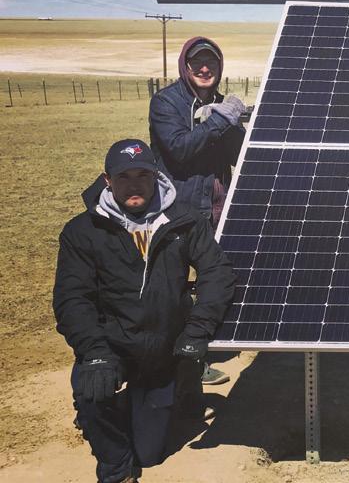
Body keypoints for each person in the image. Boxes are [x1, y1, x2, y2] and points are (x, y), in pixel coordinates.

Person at [53, 139, 235, 483]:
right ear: (108, 180)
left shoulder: (183, 220)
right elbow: (72, 299)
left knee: (150, 454)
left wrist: (197, 329)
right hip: (112, 347)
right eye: (124, 177)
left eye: (142, 176)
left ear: (156, 177)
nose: (134, 185)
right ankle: (116, 469)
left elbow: (217, 273)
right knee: (92, 393)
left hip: (163, 350)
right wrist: (94, 353)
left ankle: (163, 393)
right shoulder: (83, 231)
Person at [149, 37, 244, 386]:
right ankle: (178, 360)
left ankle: (200, 348)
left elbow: (238, 154)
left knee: (214, 278)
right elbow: (179, 149)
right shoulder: (165, 102)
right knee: (173, 285)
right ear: (185, 67)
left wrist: (234, 124)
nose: (205, 69)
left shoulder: (220, 104)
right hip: (178, 208)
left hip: (217, 205)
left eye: (212, 63)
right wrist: (219, 121)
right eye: (197, 63)